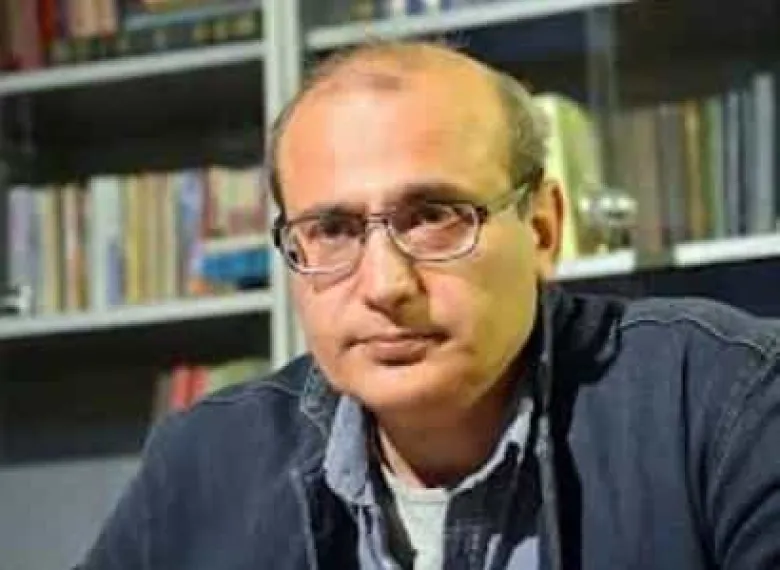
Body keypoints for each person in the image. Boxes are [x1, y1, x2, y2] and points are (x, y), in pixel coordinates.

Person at [78, 40, 780, 570]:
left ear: (542, 230)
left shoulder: (725, 403)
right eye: (332, 229)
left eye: (434, 216)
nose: (386, 284)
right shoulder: (203, 465)